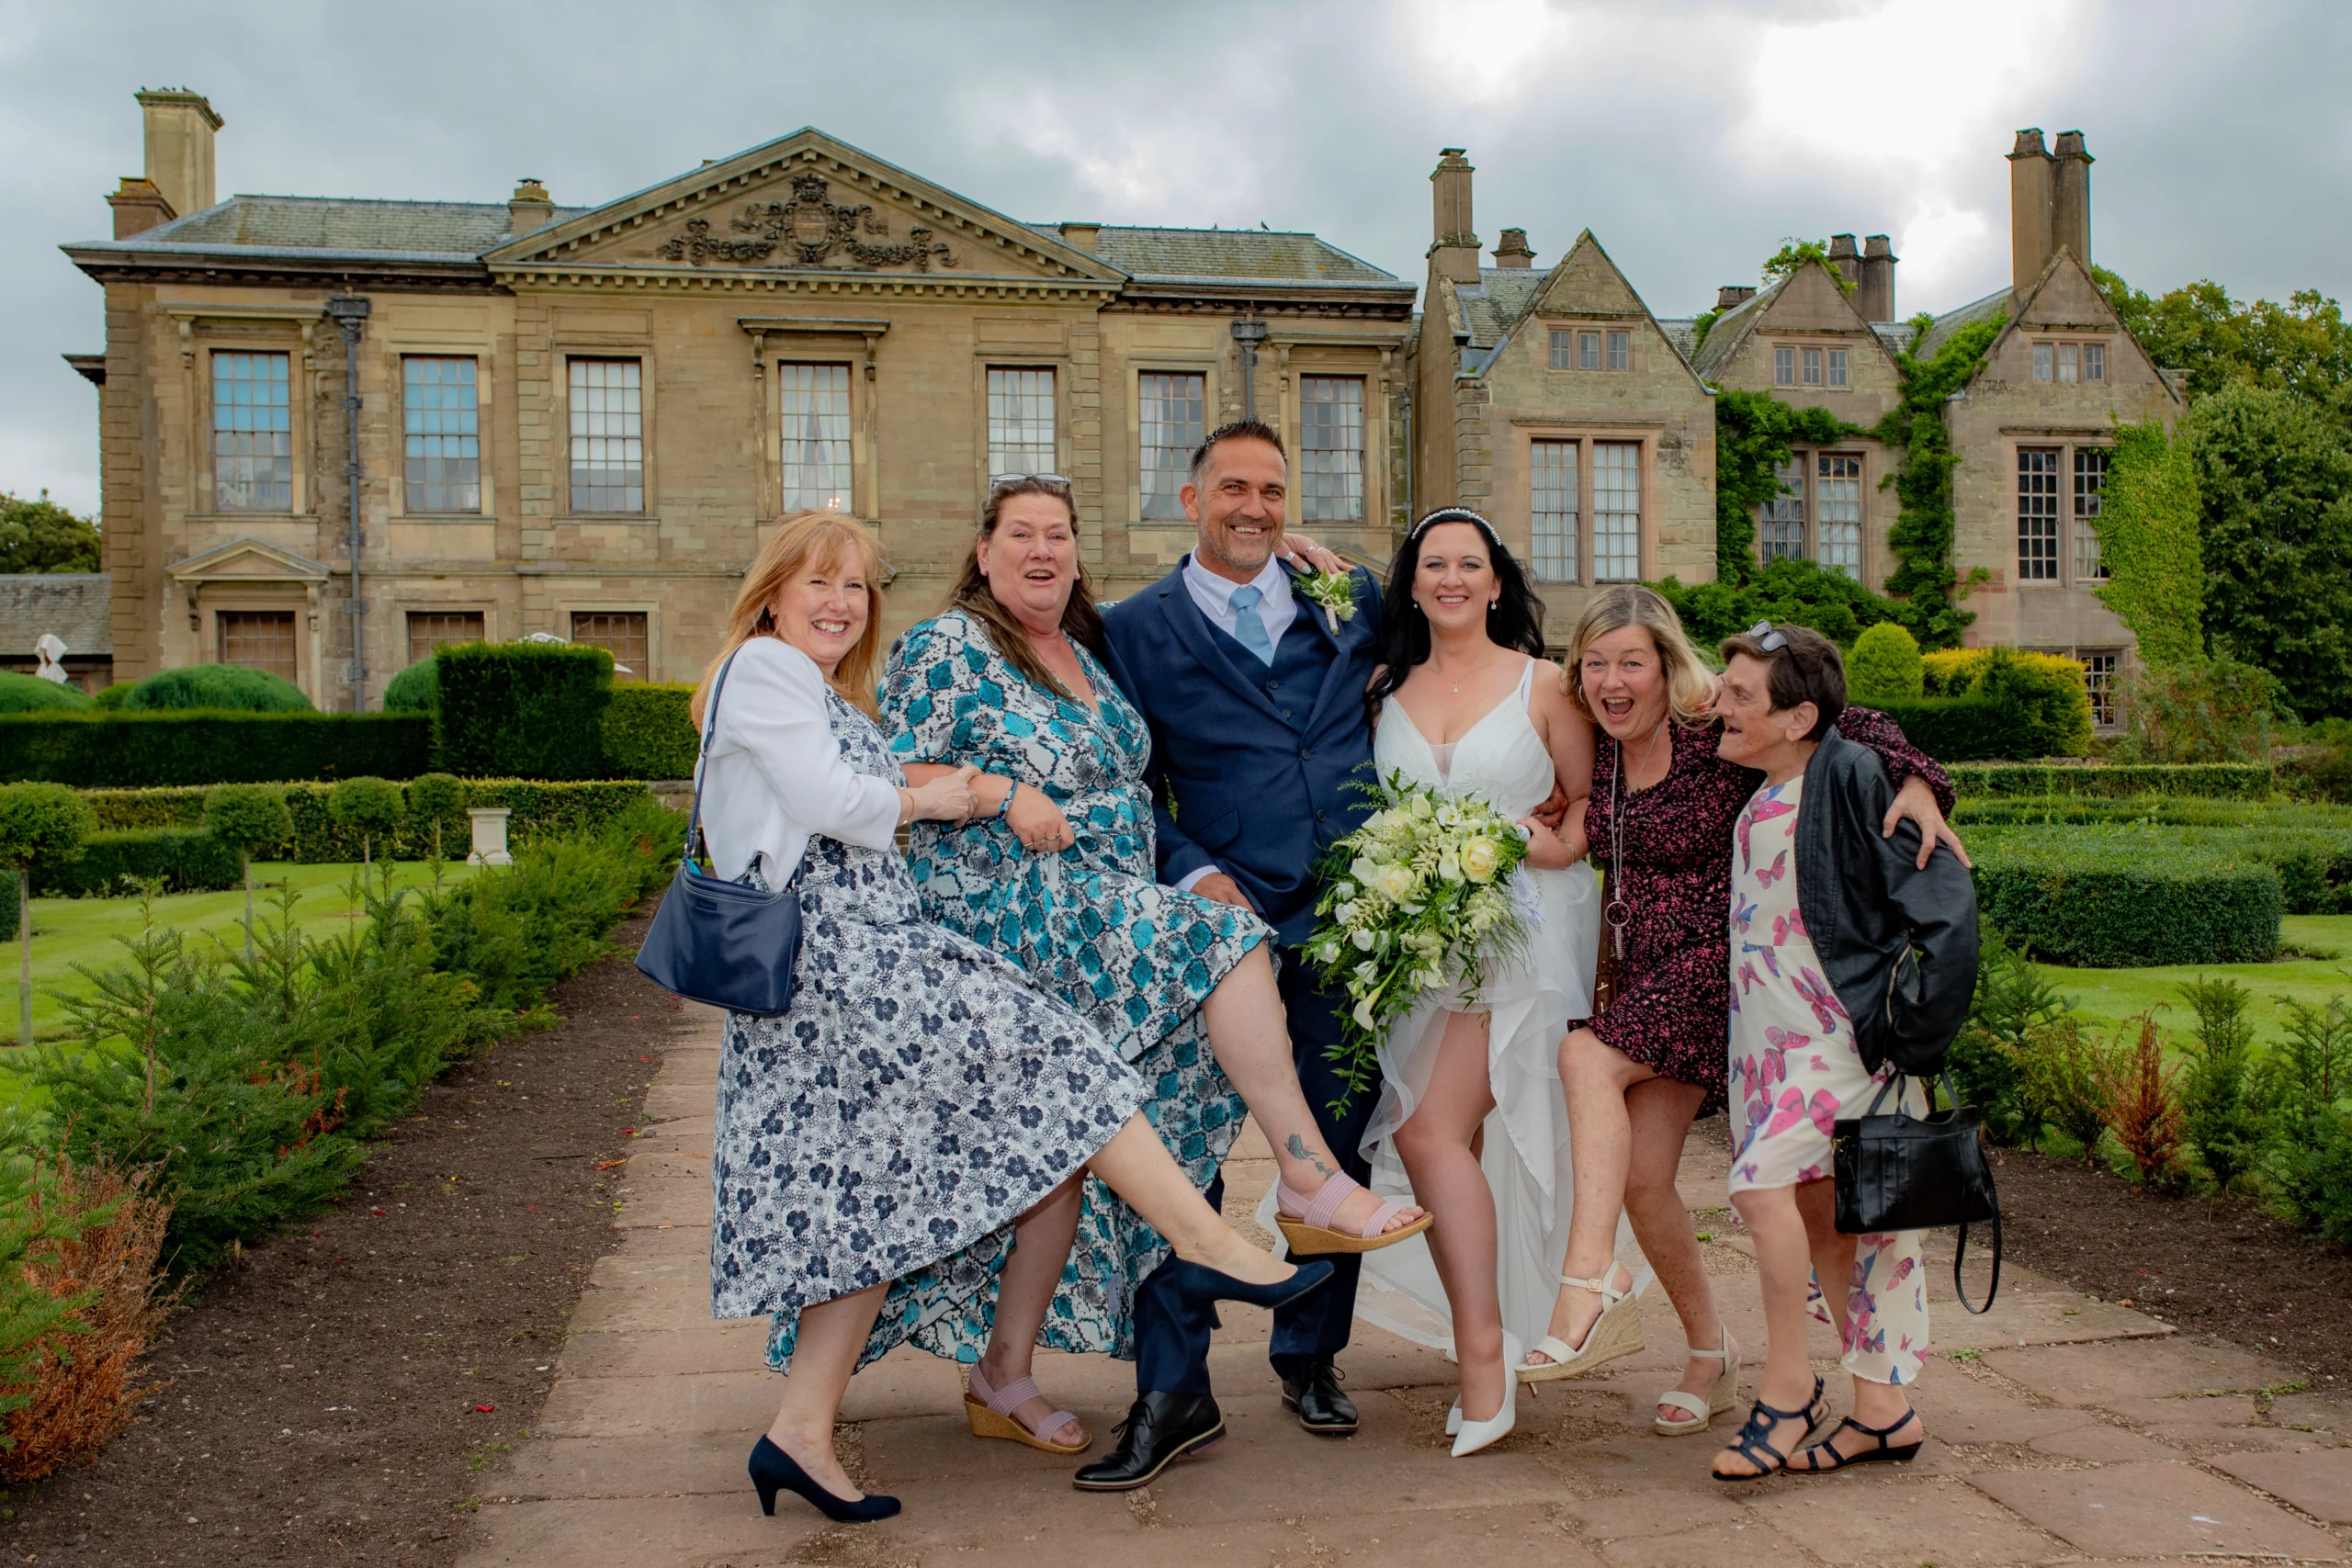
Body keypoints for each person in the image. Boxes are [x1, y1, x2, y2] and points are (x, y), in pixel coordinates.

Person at [700, 511, 1331, 1525]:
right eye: (817, 582)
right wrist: (955, 796)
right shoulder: (768, 671)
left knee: (873, 1207)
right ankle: (1204, 1237)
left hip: (855, 961)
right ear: (771, 592)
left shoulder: (814, 685)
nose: (839, 603)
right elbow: (835, 800)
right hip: (844, 961)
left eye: (857, 586)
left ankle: (799, 1434)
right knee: (1062, 1069)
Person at [879, 474, 1426, 1478]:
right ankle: (1306, 1176)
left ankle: (1006, 1374)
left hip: (1108, 914)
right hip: (1013, 911)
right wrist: (1000, 790)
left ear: (1078, 554)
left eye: (1058, 535)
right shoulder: (945, 644)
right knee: (1228, 943)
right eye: (1021, 535)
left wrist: (1286, 549)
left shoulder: (1087, 652)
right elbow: (889, 773)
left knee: (1075, 1152)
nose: (1041, 551)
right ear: (985, 551)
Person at [1098, 422, 1522, 1484]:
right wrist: (1190, 868)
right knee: (1179, 1151)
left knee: (1337, 1154)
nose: (1254, 506)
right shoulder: (1132, 629)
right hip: (1216, 924)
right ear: (1188, 498)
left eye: (1272, 490)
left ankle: (1309, 1355)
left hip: (1350, 922)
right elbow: (1119, 789)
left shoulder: (1354, 597)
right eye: (1232, 487)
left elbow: (1477, 653)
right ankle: (1172, 1386)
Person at [1521, 585, 1965, 1440]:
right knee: (1647, 1179)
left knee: (1585, 1060)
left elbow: (1843, 720)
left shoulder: (1709, 732)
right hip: (1654, 978)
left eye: (1632, 662)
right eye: (1596, 665)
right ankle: (1709, 1352)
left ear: (1667, 668)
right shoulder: (1603, 757)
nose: (1613, 680)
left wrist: (1920, 780)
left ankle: (1589, 1279)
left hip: (1720, 969)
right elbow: (1570, 824)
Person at [1351, 507, 1611, 1458]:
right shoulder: (1383, 686)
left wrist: (1525, 843)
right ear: (1412, 584)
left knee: (1425, 1133)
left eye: (1471, 564)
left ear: (1497, 582)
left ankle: (1483, 1366)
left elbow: (1587, 808)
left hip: (1525, 933)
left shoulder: (1546, 684)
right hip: (1425, 942)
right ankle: (1494, 1346)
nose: (1452, 578)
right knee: (1446, 1141)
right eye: (1434, 564)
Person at [1708, 623, 1977, 1480]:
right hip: (1764, 1049)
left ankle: (1787, 1390)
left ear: (1799, 718)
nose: (1719, 702)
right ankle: (1884, 1410)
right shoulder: (1754, 792)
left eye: (1741, 694)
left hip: (1839, 1046)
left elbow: (1947, 910)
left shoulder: (1853, 773)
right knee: (1841, 1225)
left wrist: (1909, 1042)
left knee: (1757, 1189)